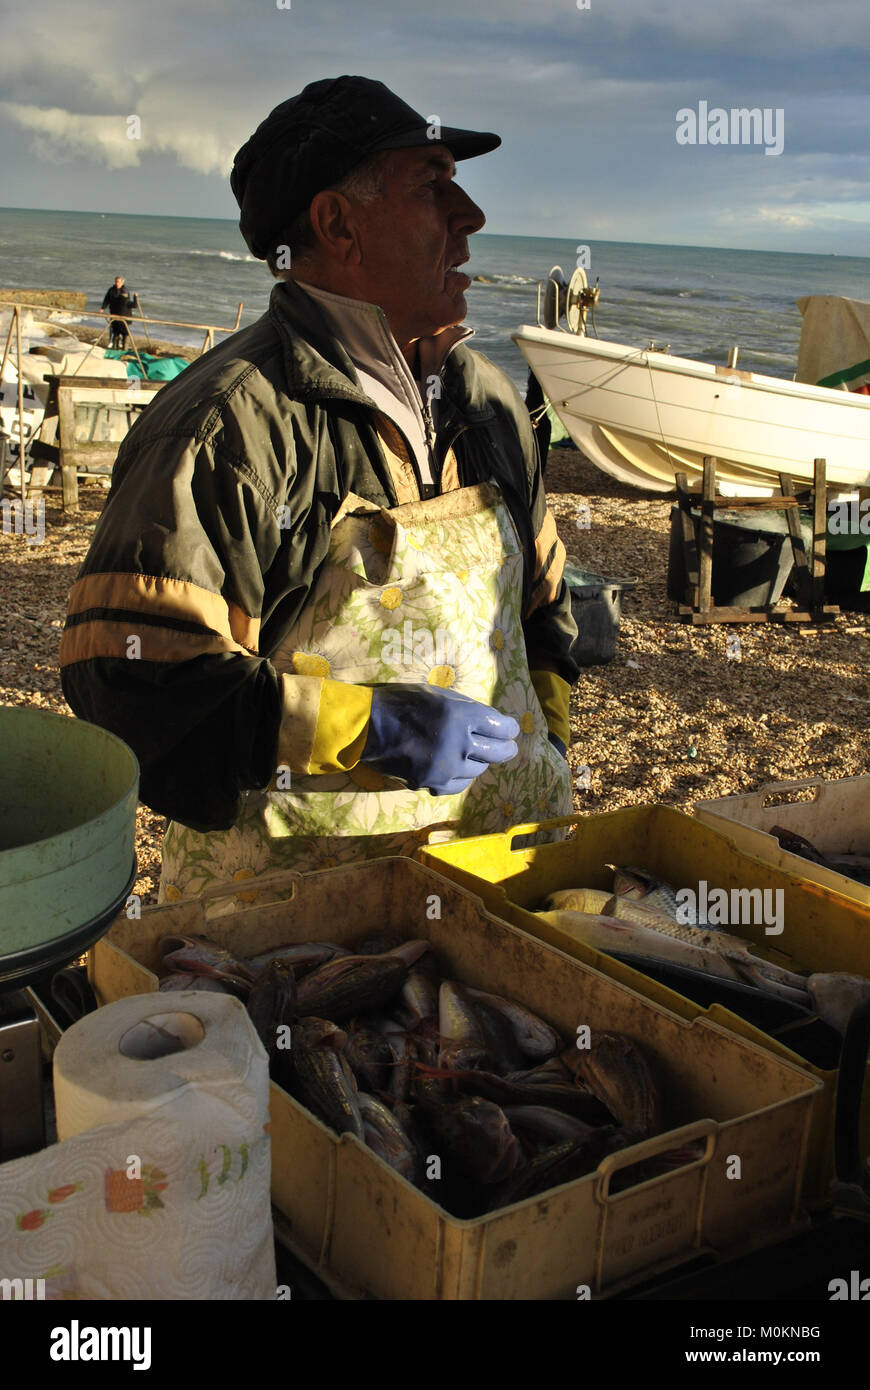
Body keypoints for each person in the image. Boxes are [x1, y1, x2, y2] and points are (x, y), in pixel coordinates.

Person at [61, 75, 579, 913]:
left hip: (503, 887)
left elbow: (543, 601)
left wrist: (546, 743)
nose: (471, 215)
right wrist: (361, 729)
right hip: (295, 923)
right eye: (434, 182)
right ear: (338, 223)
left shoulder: (485, 400)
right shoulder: (228, 425)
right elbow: (130, 683)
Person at [100, 276, 140, 350]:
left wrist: (135, 298)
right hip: (114, 313)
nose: (117, 283)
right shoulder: (111, 290)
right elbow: (106, 299)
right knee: (115, 331)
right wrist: (103, 308)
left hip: (124, 316)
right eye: (116, 281)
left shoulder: (125, 291)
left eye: (118, 282)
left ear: (122, 282)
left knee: (124, 333)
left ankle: (123, 347)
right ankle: (114, 346)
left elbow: (131, 304)